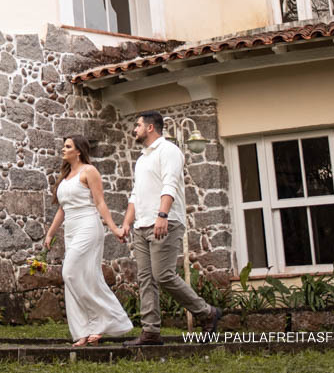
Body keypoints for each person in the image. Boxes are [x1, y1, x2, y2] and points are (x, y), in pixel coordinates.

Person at [118, 111, 222, 346]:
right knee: (145, 279)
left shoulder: (169, 151)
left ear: (151, 128)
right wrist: (127, 222)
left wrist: (162, 215)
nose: (135, 130)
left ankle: (206, 313)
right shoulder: (142, 158)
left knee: (163, 275)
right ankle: (151, 332)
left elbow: (170, 183)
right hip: (142, 225)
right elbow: (136, 194)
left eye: (138, 125)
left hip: (165, 222)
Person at [44, 135, 133, 347]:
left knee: (69, 271)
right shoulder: (65, 177)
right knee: (80, 277)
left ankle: (103, 318)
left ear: (79, 151)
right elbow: (62, 209)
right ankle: (82, 331)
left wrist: (114, 228)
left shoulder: (89, 171)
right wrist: (50, 234)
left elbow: (100, 202)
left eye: (67, 146)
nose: (63, 149)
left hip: (88, 226)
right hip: (71, 230)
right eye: (63, 146)